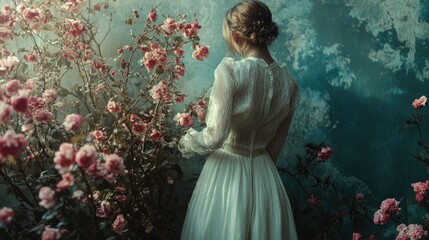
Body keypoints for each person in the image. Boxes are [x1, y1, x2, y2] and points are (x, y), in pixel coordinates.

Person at [178, 0, 299, 239]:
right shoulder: (290, 84)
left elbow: (214, 137)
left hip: (227, 173)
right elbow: (275, 148)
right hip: (265, 176)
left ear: (236, 34)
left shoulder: (230, 73)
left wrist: (188, 141)